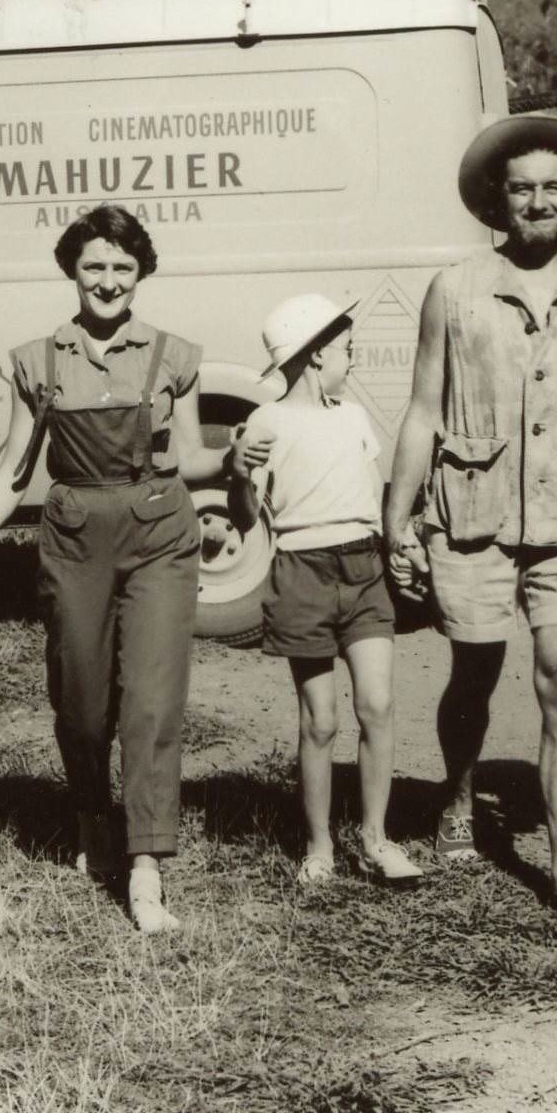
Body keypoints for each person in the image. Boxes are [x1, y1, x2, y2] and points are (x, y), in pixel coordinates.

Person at [383, 118, 557, 928]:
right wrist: (397, 519)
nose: (537, 201)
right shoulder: (457, 288)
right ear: (497, 201)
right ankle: (458, 797)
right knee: (474, 669)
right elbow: (422, 410)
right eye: (522, 188)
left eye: (552, 187)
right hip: (472, 511)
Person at [0, 203, 222, 934]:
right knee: (83, 700)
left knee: (152, 698)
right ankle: (90, 811)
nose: (108, 281)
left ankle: (146, 865)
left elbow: (194, 454)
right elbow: (12, 467)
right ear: (71, 272)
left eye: (122, 267)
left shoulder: (172, 355)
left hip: (159, 533)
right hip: (76, 536)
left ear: (141, 273)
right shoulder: (39, 360)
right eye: (94, 267)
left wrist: (236, 459)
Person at [234, 294, 420, 887]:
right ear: (315, 357)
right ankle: (319, 848)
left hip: (362, 569)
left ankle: (375, 839)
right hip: (302, 571)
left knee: (379, 706)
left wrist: (400, 545)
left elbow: (370, 494)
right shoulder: (268, 422)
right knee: (320, 719)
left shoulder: (354, 416)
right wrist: (238, 472)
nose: (352, 360)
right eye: (345, 349)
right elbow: (245, 516)